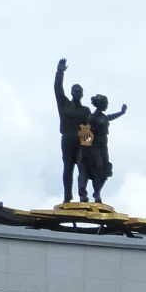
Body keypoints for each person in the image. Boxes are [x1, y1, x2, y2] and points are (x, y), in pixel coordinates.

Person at [79, 93, 128, 204]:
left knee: (106, 170)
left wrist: (121, 112)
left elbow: (110, 117)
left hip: (103, 146)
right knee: (98, 169)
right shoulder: (91, 118)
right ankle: (97, 194)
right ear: (100, 104)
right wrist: (86, 150)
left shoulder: (103, 117)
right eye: (106, 104)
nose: (107, 106)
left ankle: (97, 192)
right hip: (95, 146)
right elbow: (85, 134)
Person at [53, 59, 89, 204]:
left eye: (80, 92)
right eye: (75, 91)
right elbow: (58, 89)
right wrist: (60, 72)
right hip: (67, 139)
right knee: (68, 169)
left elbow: (87, 129)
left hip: (80, 141)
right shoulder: (65, 105)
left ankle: (82, 194)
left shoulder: (85, 110)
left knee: (82, 167)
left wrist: (87, 145)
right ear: (72, 93)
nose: (77, 93)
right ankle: (67, 195)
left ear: (82, 94)